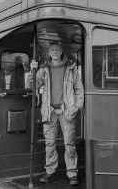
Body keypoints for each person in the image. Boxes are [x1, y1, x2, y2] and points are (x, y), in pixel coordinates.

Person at [32, 42, 84, 186]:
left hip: (67, 110)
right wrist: (32, 71)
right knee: (50, 143)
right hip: (50, 111)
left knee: (69, 143)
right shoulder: (44, 69)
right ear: (49, 53)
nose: (54, 52)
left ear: (61, 52)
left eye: (57, 49)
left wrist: (76, 107)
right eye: (52, 50)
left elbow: (79, 89)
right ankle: (50, 171)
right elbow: (34, 85)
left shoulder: (71, 68)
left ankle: (72, 173)